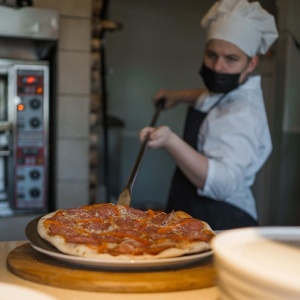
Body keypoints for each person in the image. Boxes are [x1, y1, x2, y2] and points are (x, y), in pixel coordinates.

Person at [139, 0, 278, 230]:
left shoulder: (244, 115)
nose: (218, 67)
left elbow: (222, 184)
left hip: (224, 220)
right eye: (211, 55)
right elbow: (209, 98)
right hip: (195, 210)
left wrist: (170, 141)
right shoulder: (229, 91)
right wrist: (177, 95)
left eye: (231, 59)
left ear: (251, 63)